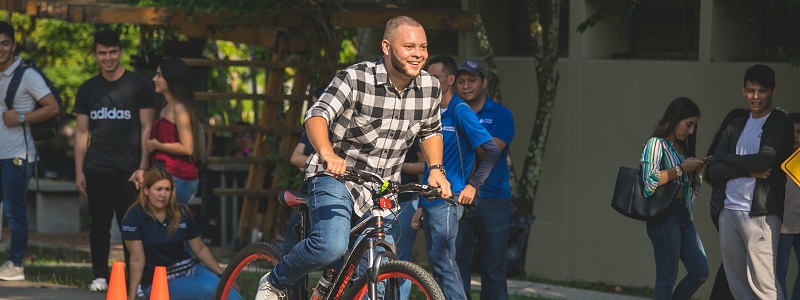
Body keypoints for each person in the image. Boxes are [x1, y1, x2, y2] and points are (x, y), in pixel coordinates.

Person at [254, 16, 453, 300]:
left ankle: (330, 284)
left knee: (376, 269)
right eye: (409, 46)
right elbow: (316, 116)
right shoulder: (355, 78)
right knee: (330, 246)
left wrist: (435, 169)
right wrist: (327, 153)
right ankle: (276, 280)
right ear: (387, 46)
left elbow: (431, 131)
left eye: (423, 46)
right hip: (337, 177)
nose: (418, 54)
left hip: (382, 187)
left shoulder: (430, 87)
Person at [73, 28, 156, 291]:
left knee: (131, 226)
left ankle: (137, 281)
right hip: (96, 167)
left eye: (112, 52)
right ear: (95, 54)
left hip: (130, 170)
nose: (108, 58)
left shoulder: (139, 85)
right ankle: (99, 275)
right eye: (102, 53)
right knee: (98, 225)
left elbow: (147, 128)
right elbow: (82, 132)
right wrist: (79, 171)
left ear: (120, 52)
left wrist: (143, 167)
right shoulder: (87, 89)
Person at [413, 55, 500, 300]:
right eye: (426, 77)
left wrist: (473, 185)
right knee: (438, 265)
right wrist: (421, 204)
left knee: (444, 262)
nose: (428, 81)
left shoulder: (460, 111)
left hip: (449, 201)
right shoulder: (430, 112)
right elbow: (431, 164)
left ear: (450, 80)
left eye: (435, 77)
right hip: (430, 200)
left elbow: (492, 150)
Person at [707, 64, 794, 300]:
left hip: (761, 215)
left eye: (761, 91)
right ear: (743, 90)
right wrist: (746, 171)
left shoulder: (780, 122)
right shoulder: (736, 123)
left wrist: (727, 160)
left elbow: (764, 160)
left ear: (774, 90)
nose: (755, 97)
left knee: (765, 287)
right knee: (739, 286)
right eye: (750, 90)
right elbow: (712, 169)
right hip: (729, 212)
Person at [122, 167, 240, 300]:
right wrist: (131, 296)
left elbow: (200, 249)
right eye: (158, 189)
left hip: (190, 268)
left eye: (168, 189)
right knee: (213, 289)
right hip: (160, 280)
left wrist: (222, 274)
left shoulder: (180, 212)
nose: (163, 195)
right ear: (146, 190)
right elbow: (137, 259)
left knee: (228, 287)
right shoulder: (134, 216)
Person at [0, 21, 60, 281]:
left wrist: (22, 117)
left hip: (17, 155)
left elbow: (53, 107)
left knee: (14, 210)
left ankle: (15, 264)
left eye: (4, 43)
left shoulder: (27, 75)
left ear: (13, 45)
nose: (0, 49)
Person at [452, 59, 515, 300]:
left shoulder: (501, 114)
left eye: (472, 81)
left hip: (493, 199)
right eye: (461, 82)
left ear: (484, 83)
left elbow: (489, 150)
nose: (466, 86)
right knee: (456, 266)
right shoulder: (450, 113)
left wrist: (462, 134)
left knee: (493, 268)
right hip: (457, 196)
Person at [641, 97, 709, 300]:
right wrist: (681, 169)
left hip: (684, 216)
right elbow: (650, 180)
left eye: (694, 126)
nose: (691, 131)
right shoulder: (656, 144)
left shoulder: (681, 151)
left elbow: (692, 190)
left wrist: (696, 170)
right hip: (664, 215)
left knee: (700, 271)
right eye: (689, 124)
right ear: (675, 118)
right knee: (666, 278)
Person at [146, 58, 202, 205]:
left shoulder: (179, 109)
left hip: (178, 177)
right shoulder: (166, 106)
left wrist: (157, 145)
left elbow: (187, 148)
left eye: (159, 75)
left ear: (171, 78)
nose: (154, 79)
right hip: (164, 174)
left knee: (168, 225)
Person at [706, 108, 748, 300]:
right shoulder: (725, 147)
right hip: (724, 206)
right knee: (735, 259)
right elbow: (710, 173)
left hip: (734, 207)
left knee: (736, 259)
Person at [777, 112, 800, 299]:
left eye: (799, 132)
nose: (796, 136)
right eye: (793, 132)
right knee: (779, 271)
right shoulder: (777, 156)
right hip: (782, 226)